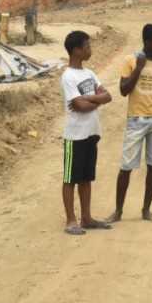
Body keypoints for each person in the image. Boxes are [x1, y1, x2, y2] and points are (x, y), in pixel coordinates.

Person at [110, 23, 152, 222]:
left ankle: (146, 209)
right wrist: (139, 67)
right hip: (136, 119)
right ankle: (118, 211)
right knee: (126, 166)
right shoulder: (130, 61)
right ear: (148, 42)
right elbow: (123, 90)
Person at [60, 30, 113, 236]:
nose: (90, 49)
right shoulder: (68, 77)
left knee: (86, 177)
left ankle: (87, 217)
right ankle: (71, 220)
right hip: (75, 135)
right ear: (76, 50)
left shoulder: (89, 73)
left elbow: (107, 96)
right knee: (70, 178)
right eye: (87, 46)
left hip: (91, 132)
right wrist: (95, 100)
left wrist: (89, 100)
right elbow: (79, 106)